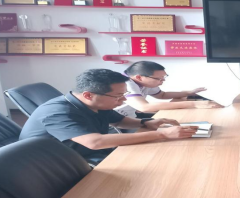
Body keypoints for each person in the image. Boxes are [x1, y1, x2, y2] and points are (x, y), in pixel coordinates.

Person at [20, 69, 199, 163]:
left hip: (87, 152)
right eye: (118, 96)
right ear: (88, 94)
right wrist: (162, 134)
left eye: (124, 94)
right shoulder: (58, 112)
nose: (123, 100)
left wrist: (146, 123)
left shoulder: (97, 102)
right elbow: (95, 142)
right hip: (57, 165)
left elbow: (119, 121)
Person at [115, 61, 222, 118]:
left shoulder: (142, 82)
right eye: (159, 78)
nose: (163, 81)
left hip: (130, 116)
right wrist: (194, 104)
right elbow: (144, 107)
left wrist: (188, 92)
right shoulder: (125, 83)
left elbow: (162, 95)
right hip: (118, 124)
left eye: (164, 77)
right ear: (139, 77)